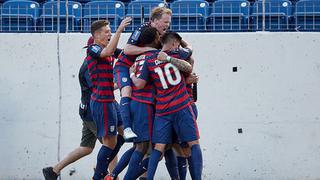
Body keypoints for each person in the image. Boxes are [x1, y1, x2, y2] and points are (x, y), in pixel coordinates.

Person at [42, 37, 122, 180]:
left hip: (87, 110)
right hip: (95, 111)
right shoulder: (92, 66)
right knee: (110, 144)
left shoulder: (96, 61)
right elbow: (100, 88)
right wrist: (122, 82)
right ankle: (109, 175)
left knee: (86, 147)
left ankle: (53, 170)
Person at [130, 30, 203, 180]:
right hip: (183, 106)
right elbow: (190, 63)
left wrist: (131, 74)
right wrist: (171, 56)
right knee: (191, 145)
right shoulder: (177, 54)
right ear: (175, 43)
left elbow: (140, 84)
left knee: (159, 148)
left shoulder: (149, 60)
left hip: (162, 111)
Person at [114, 6, 172, 140]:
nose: (167, 25)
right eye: (165, 22)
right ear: (155, 21)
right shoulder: (141, 29)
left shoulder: (162, 35)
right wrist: (149, 49)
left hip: (137, 69)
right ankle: (127, 129)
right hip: (124, 66)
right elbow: (127, 49)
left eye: (169, 22)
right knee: (126, 90)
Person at [86, 18, 131, 180]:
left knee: (124, 134)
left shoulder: (108, 49)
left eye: (111, 31)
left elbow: (127, 53)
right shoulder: (94, 49)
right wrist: (120, 30)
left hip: (110, 101)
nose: (110, 34)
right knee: (110, 142)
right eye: (107, 32)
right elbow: (107, 52)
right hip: (101, 102)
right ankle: (99, 175)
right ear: (97, 35)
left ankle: (101, 167)